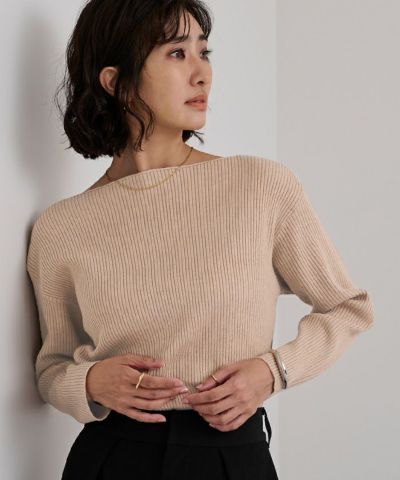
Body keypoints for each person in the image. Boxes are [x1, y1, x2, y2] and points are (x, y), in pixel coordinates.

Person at [26, 1, 374, 479]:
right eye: (176, 53)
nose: (202, 73)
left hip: (231, 454)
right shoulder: (62, 226)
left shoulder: (259, 187)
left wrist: (274, 371)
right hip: (111, 457)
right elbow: (52, 367)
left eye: (204, 52)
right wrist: (89, 381)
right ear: (116, 81)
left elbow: (347, 307)